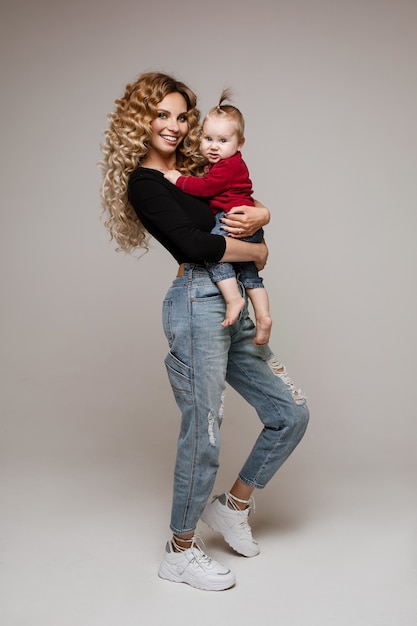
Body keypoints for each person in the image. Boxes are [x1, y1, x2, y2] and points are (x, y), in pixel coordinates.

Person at [100, 71, 309, 592]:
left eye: (180, 115)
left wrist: (263, 214)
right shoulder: (146, 183)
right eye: (161, 114)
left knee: (290, 413)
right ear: (138, 121)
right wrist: (258, 249)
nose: (173, 126)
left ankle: (232, 506)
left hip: (233, 301)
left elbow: (244, 206)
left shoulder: (201, 163)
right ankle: (180, 549)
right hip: (197, 304)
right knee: (206, 433)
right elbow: (198, 246)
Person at [164, 89, 272, 345]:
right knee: (249, 274)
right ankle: (264, 317)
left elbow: (204, 189)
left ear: (240, 143)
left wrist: (178, 179)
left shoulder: (226, 166)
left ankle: (234, 299)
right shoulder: (227, 163)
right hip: (246, 223)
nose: (213, 146)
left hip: (231, 222)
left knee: (215, 256)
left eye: (222, 141)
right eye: (208, 138)